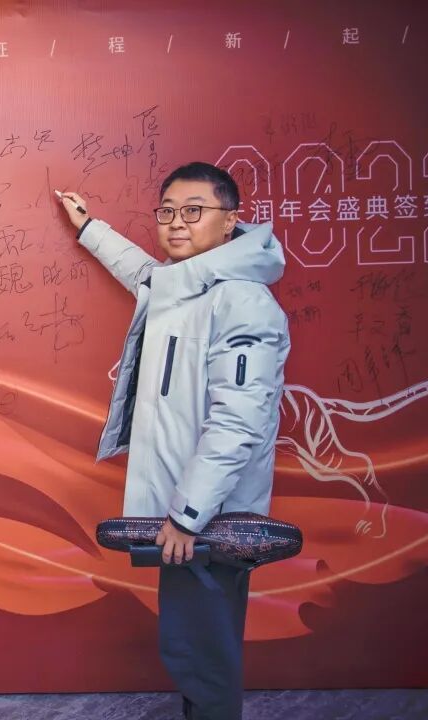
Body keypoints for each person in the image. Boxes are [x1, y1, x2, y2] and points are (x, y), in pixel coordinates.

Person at [58, 162, 291, 720]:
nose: (177, 223)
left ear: (230, 220)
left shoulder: (241, 301)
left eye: (193, 211)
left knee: (203, 654)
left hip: (206, 519)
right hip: (185, 517)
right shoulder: (186, 284)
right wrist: (90, 228)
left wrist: (187, 517)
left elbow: (238, 423)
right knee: (194, 645)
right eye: (167, 211)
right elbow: (145, 274)